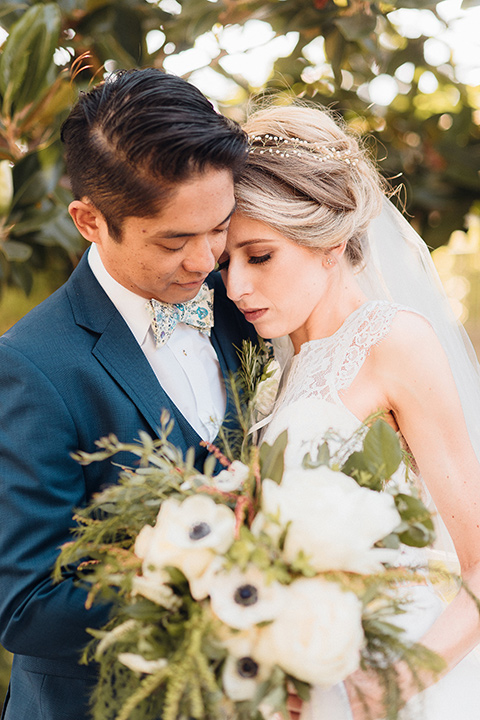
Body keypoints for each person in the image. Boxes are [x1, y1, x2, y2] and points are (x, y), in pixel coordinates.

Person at [0, 68, 257, 720]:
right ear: (89, 220)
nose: (206, 261)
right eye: (173, 240)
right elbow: (25, 602)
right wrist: (231, 588)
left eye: (219, 227)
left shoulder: (248, 302)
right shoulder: (32, 366)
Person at [220, 104, 480, 720]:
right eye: (224, 262)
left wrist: (390, 686)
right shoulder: (270, 373)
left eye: (259, 256)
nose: (235, 288)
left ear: (330, 243)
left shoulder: (394, 342)